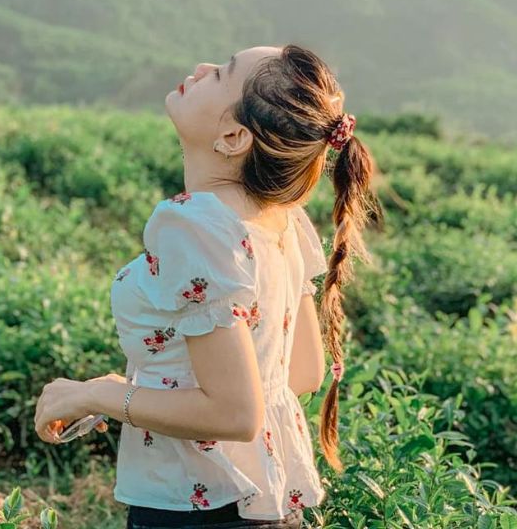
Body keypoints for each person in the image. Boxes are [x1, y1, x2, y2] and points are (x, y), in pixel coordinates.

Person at [34, 44, 384, 528]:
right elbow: (301, 371)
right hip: (269, 499)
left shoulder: (193, 225)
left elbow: (236, 414)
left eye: (220, 74)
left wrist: (99, 395)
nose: (199, 69)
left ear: (234, 135)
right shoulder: (282, 219)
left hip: (197, 509)